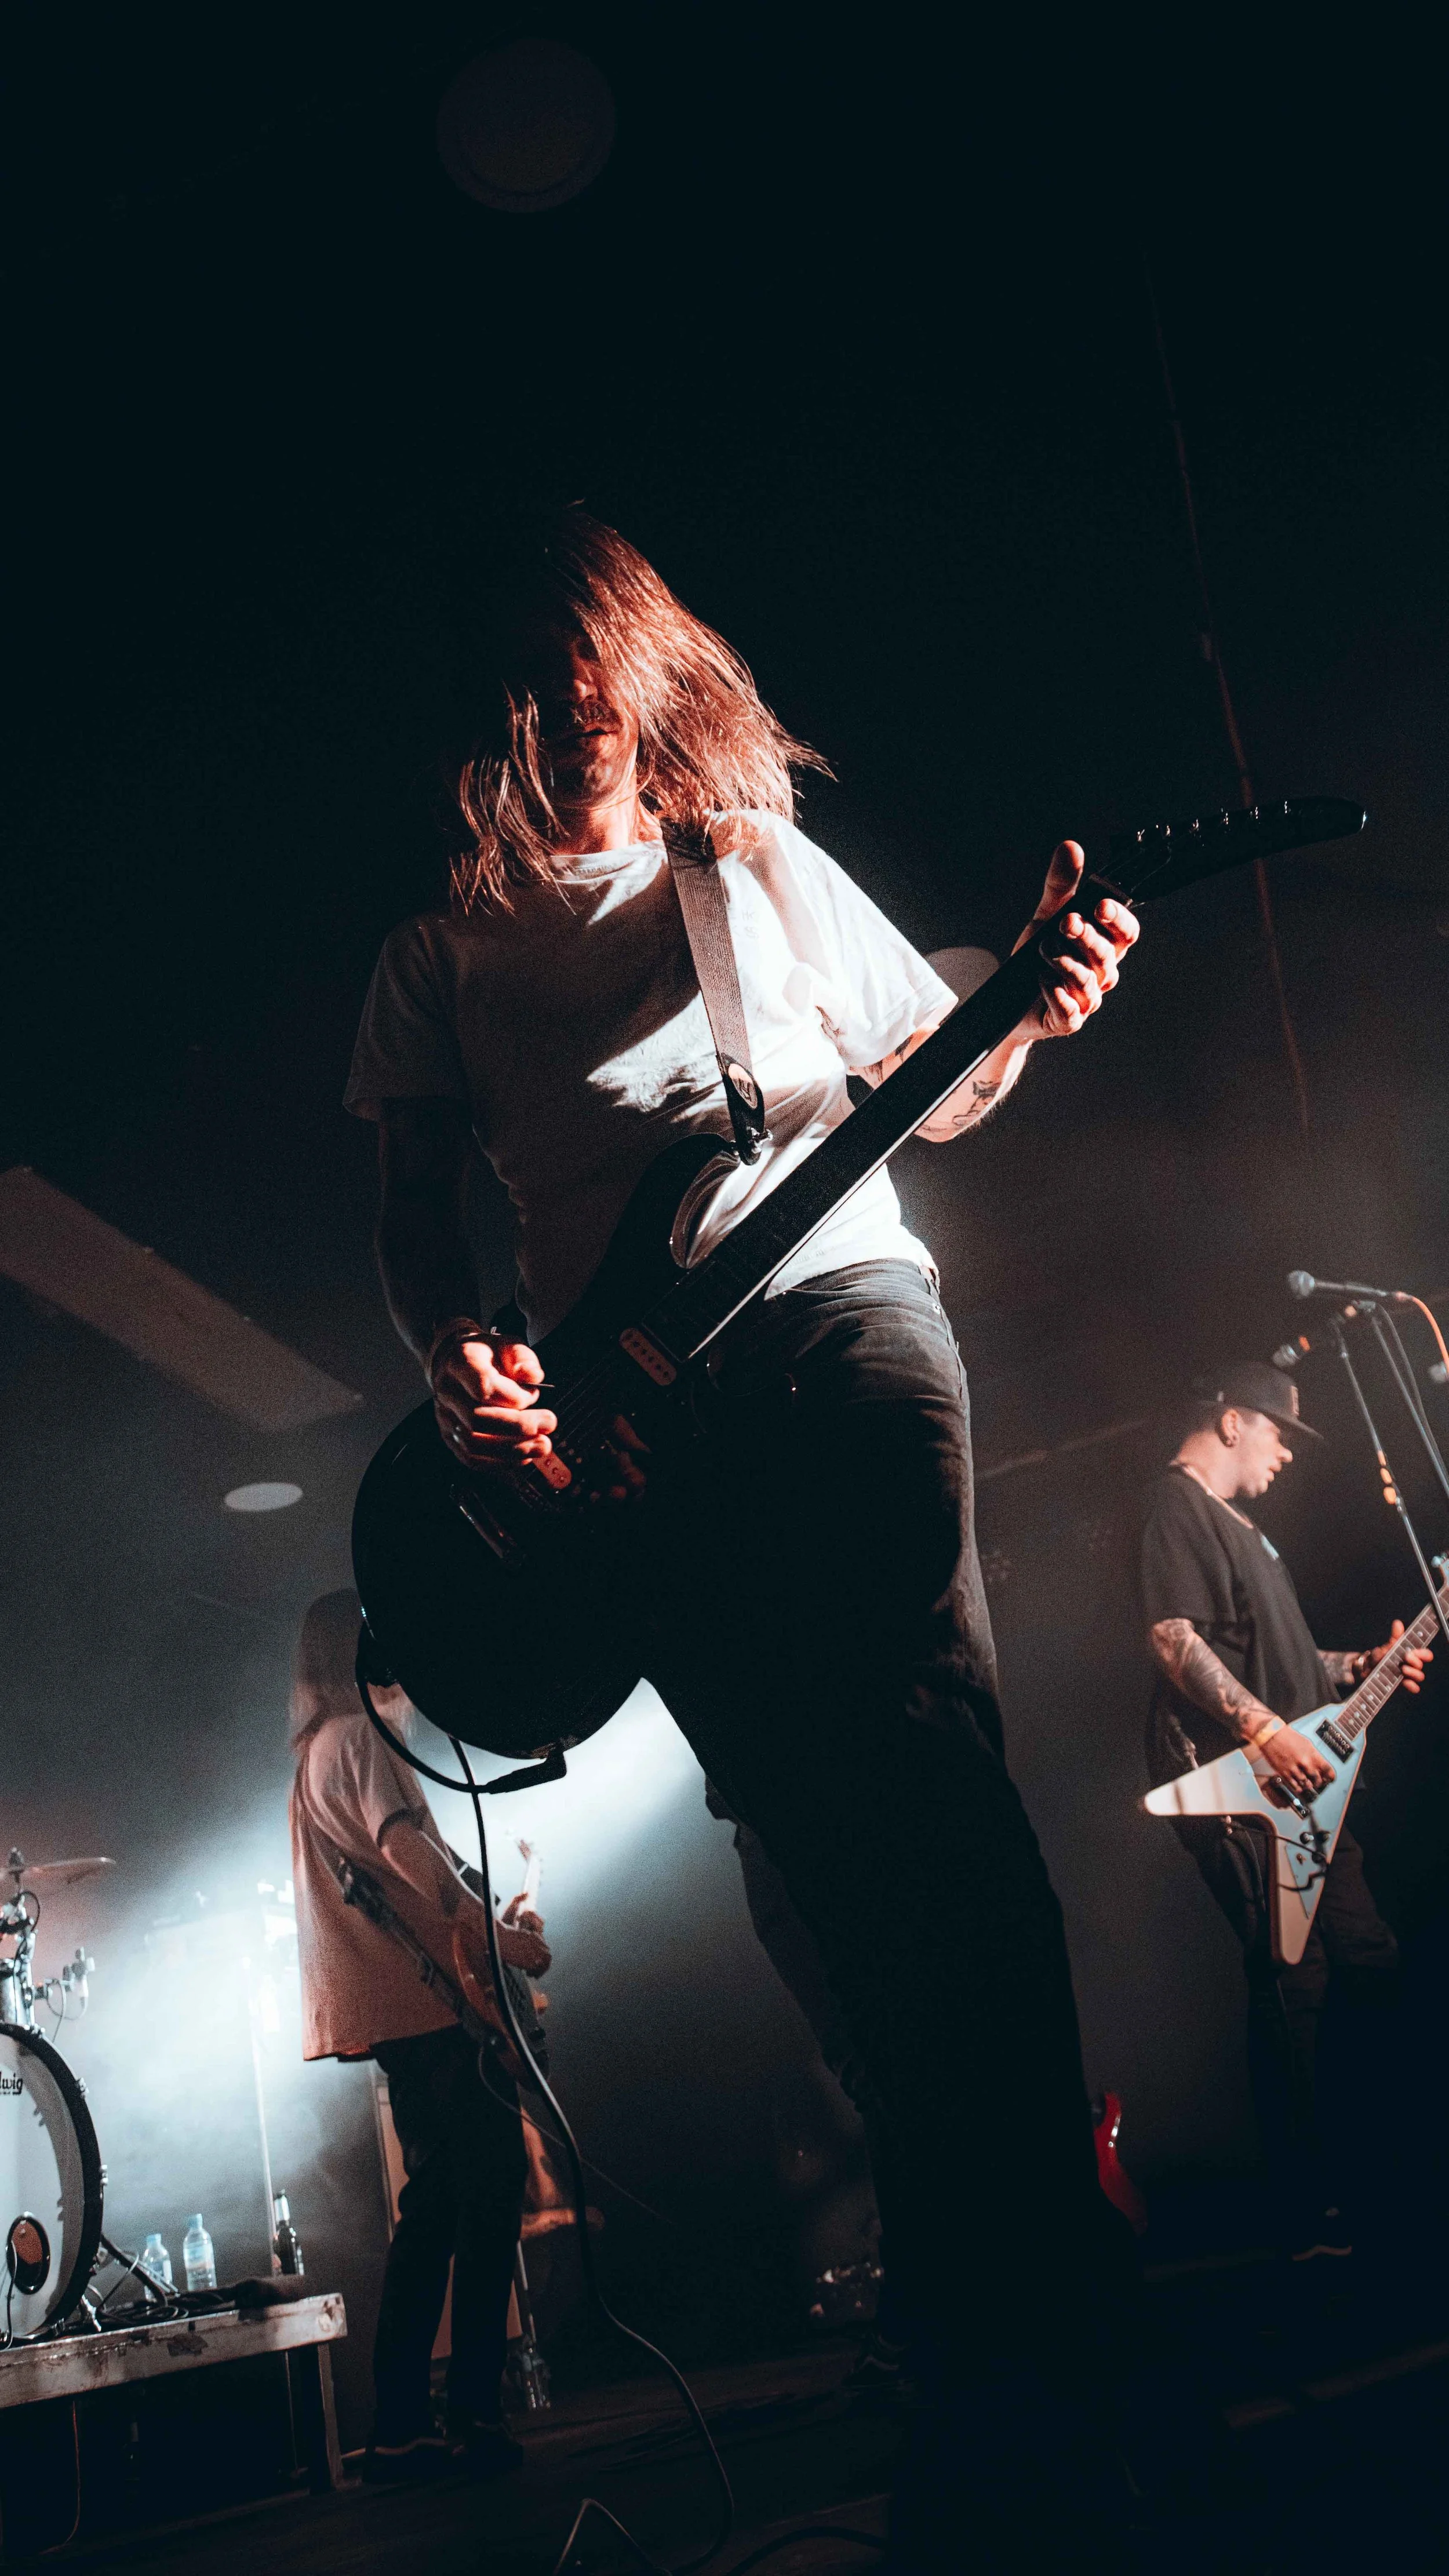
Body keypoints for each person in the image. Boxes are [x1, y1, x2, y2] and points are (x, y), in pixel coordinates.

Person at [344, 511, 1140, 2557]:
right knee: (808, 1853)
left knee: (933, 1790)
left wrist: (1030, 1011)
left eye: (587, 685)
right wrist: (463, 1358)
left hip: (849, 1328)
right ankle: (984, 2316)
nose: (562, 730)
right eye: (521, 700)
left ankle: (1052, 2312)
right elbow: (416, 1214)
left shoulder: (752, 864)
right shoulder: (439, 952)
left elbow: (921, 1083)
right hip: (637, 1431)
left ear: (641, 669)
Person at [1142, 1363, 1431, 2258]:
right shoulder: (1176, 1506)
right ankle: (1303, 2216)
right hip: (1242, 1786)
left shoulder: (1254, 1539)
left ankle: (1386, 2181)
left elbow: (1294, 1663)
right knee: (1292, 1979)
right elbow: (1173, 1638)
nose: (1288, 1457)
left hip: (1315, 1791)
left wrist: (1367, 1666)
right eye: (1279, 1435)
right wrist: (1266, 1733)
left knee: (1371, 1960)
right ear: (1233, 1422)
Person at [288, 1588, 550, 2481]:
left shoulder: (315, 1753)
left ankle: (403, 2421)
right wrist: (499, 1936)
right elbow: (410, 1854)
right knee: (485, 2195)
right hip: (431, 2010)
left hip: (403, 2014)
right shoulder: (359, 1738)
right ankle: (471, 2413)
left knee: (437, 2206)